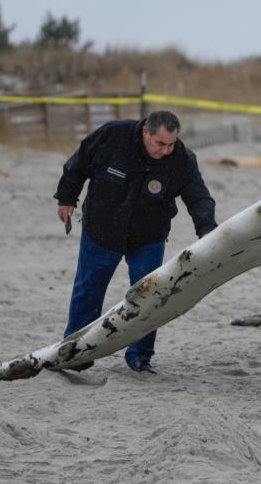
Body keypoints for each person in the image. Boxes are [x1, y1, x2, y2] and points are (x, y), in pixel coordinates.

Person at [54, 111, 217, 374]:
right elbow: (79, 161)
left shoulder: (181, 159)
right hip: (102, 230)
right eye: (160, 143)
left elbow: (198, 196)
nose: (166, 150)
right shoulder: (113, 136)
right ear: (145, 132)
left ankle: (140, 356)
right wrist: (66, 197)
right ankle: (75, 352)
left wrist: (207, 228)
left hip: (148, 237)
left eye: (171, 144)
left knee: (150, 297)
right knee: (88, 290)